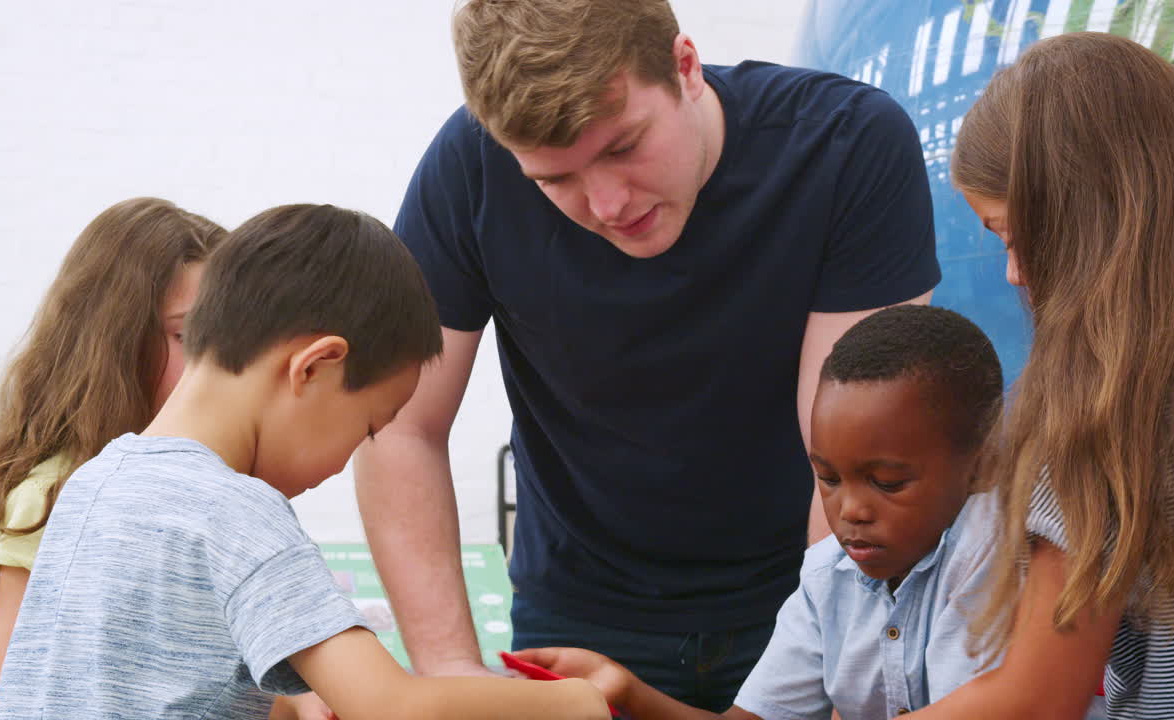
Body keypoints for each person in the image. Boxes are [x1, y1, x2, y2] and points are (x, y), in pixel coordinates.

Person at [354, 0, 941, 709]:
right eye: (554, 181)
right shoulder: (471, 166)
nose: (605, 204)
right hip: (579, 609)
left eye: (623, 146)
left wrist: (797, 674)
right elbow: (399, 424)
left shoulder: (846, 144)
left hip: (803, 592)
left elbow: (852, 452)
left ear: (685, 66)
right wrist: (448, 668)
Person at [0, 204, 609, 720]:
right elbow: (390, 706)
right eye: (367, 427)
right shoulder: (237, 509)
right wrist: (574, 704)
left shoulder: (94, 481)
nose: (345, 463)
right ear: (314, 367)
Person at [907, 33, 1174, 720]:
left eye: (1011, 235)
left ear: (1081, 221)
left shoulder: (1097, 417)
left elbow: (1036, 699)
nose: (1013, 272)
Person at [513, 304, 1005, 719]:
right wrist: (626, 691)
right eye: (828, 479)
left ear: (982, 462)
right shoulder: (827, 578)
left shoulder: (994, 555)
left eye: (888, 483)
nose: (851, 509)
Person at [0, 197, 226, 710]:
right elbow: (11, 695)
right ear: (116, 340)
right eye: (186, 336)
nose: (216, 364)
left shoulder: (214, 486)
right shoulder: (54, 494)